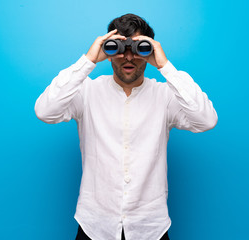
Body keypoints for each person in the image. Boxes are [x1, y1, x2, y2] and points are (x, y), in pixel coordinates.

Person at [35, 13, 218, 240]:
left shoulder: (165, 96)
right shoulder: (87, 92)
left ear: (149, 50)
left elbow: (206, 120)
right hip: (95, 226)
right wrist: (88, 60)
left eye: (139, 48)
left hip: (150, 227)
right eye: (119, 47)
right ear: (109, 51)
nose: (128, 57)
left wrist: (164, 65)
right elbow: (45, 111)